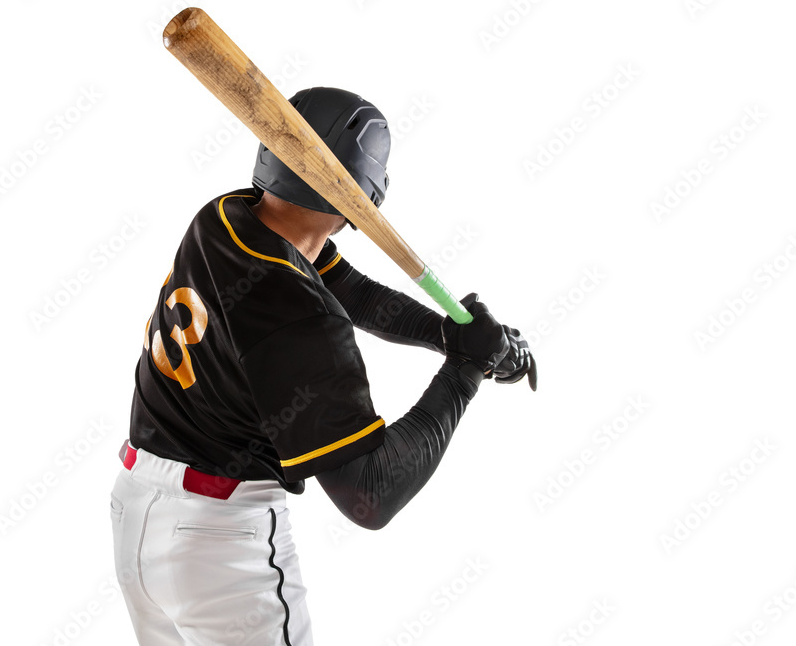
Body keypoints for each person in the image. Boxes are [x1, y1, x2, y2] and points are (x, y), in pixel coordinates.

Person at [109, 87, 536, 645]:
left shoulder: (224, 219)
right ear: (363, 197)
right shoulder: (305, 320)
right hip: (218, 544)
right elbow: (372, 493)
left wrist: (451, 334)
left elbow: (350, 289)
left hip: (135, 509)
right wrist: (464, 373)